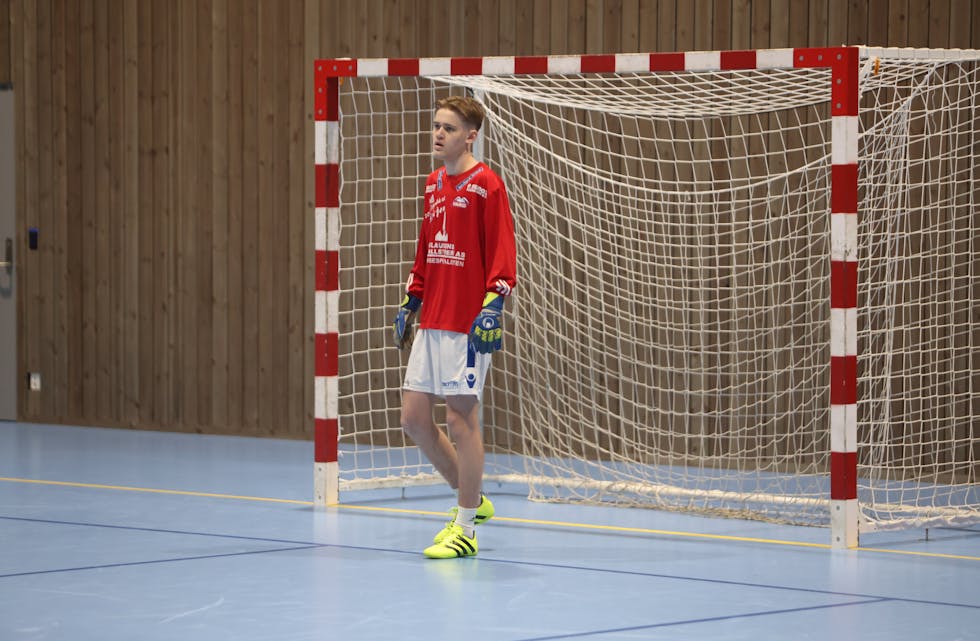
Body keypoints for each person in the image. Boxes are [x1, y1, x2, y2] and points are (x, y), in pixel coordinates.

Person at [392, 95, 517, 559]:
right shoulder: (431, 185)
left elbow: (504, 257)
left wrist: (493, 306)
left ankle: (465, 528)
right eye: (436, 125)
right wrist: (412, 298)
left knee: (460, 419)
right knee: (414, 419)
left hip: (467, 324)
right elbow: (426, 252)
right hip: (432, 320)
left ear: (471, 136)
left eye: (448, 127)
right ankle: (473, 499)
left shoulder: (488, 186)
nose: (438, 133)